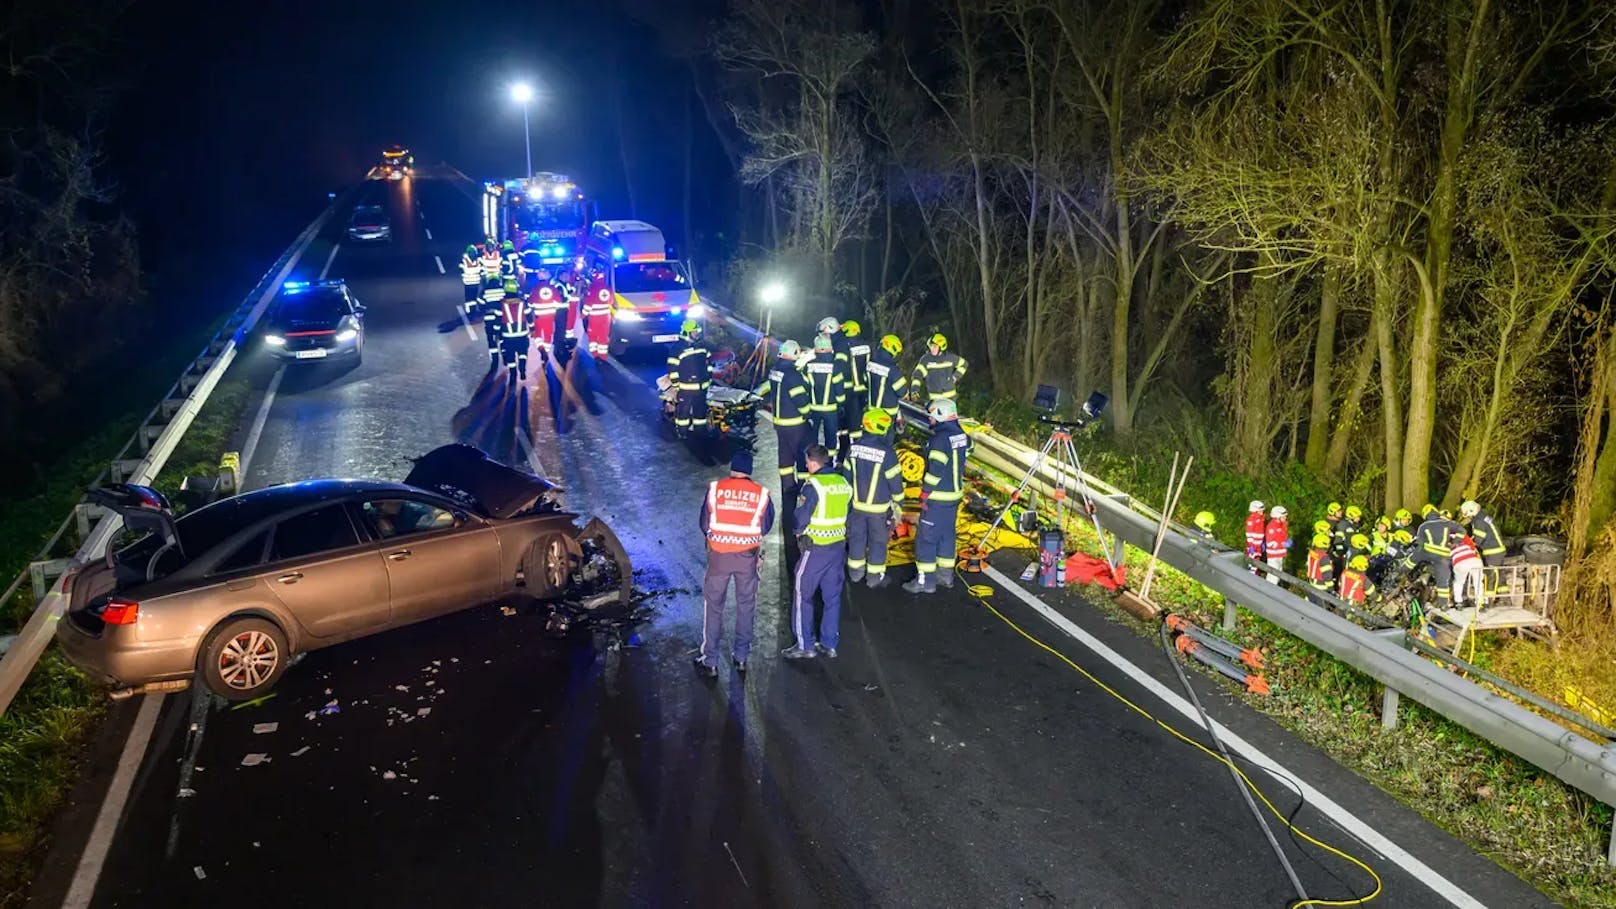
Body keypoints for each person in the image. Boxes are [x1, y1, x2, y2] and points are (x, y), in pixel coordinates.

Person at [695, 449, 775, 677]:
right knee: (746, 606)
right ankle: (741, 658)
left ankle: (710, 660)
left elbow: (704, 522)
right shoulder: (761, 494)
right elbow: (766, 525)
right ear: (749, 472)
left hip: (718, 557)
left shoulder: (715, 489)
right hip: (747, 559)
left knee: (713, 607)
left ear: (732, 469)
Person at [784, 445, 852, 660]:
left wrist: (797, 533)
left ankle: (805, 645)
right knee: (832, 597)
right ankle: (829, 643)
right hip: (838, 548)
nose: (806, 465)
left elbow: (801, 518)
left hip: (815, 548)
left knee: (802, 594)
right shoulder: (843, 484)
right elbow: (848, 513)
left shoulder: (813, 485)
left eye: (807, 462)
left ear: (813, 462)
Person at [905, 398, 970, 594]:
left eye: (932, 415)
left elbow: (936, 469)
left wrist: (925, 493)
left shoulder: (938, 439)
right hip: (954, 495)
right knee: (947, 535)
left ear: (941, 415)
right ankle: (945, 576)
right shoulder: (961, 435)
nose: (930, 419)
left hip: (938, 497)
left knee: (926, 538)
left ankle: (925, 581)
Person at [845, 408, 904, 588]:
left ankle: (855, 573)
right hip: (879, 511)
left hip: (856, 508)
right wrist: (899, 504)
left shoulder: (853, 448)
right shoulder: (888, 452)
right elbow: (895, 483)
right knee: (878, 543)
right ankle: (874, 578)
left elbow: (846, 479)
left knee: (856, 539)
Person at [754, 340, 812, 508]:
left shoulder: (775, 370)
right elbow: (800, 399)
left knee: (785, 458)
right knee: (802, 457)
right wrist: (809, 413)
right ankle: (802, 488)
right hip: (795, 424)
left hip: (780, 424)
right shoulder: (793, 374)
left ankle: (787, 487)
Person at [1403, 508, 1463, 607]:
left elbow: (1420, 543)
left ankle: (1401, 573)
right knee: (1443, 581)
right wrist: (1455, 542)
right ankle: (1444, 604)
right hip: (1444, 556)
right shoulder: (1447, 524)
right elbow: (1462, 530)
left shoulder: (1424, 526)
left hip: (1429, 553)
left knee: (1413, 560)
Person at [666, 319, 711, 437]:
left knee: (700, 412)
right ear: (687, 332)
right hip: (686, 389)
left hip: (702, 388)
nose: (697, 334)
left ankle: (700, 432)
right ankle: (682, 433)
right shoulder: (677, 349)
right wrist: (676, 386)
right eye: (694, 332)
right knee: (683, 413)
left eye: (697, 332)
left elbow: (709, 362)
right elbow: (672, 369)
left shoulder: (701, 346)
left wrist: (708, 377)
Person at [803, 335, 845, 450]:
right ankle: (829, 462)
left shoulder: (808, 366)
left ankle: (812, 461)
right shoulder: (835, 366)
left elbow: (804, 388)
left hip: (813, 409)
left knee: (811, 437)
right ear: (830, 348)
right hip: (830, 409)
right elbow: (839, 389)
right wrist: (841, 405)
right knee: (831, 437)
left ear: (815, 349)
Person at [864, 334, 909, 443]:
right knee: (886, 442)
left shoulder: (870, 363)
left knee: (871, 439)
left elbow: (865, 380)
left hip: (872, 409)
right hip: (887, 412)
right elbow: (902, 391)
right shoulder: (892, 369)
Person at [1458, 500, 1506, 594]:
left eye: (1467, 515)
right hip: (1498, 550)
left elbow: (1478, 540)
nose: (1468, 517)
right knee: (1500, 575)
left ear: (1471, 511)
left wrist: (1466, 544)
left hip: (1492, 552)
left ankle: (1488, 601)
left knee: (1490, 575)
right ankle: (1505, 599)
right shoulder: (1484, 517)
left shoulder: (1478, 521)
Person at [910, 333, 967, 402]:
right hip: (935, 399)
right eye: (931, 346)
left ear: (941, 347)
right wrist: (914, 391)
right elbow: (917, 375)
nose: (932, 349)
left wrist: (955, 377)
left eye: (935, 346)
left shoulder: (950, 358)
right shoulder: (926, 359)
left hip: (951, 398)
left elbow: (964, 364)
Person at [498, 276, 532, 383]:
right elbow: (529, 315)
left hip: (508, 336)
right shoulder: (522, 302)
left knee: (511, 356)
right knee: (523, 354)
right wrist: (532, 327)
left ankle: (513, 374)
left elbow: (498, 319)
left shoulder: (501, 303)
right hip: (522, 334)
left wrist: (497, 332)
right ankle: (522, 371)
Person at [529, 268, 566, 355]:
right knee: (548, 335)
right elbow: (559, 302)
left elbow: (530, 303)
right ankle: (546, 353)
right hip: (550, 317)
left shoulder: (535, 289)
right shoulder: (552, 288)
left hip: (538, 317)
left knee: (537, 334)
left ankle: (541, 348)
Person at [581, 267, 613, 358]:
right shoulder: (607, 288)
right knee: (603, 335)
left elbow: (588, 303)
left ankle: (595, 354)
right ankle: (603, 355)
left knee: (593, 335)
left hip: (595, 317)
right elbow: (611, 301)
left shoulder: (593, 288)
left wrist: (583, 315)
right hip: (606, 317)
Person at [1449, 532, 1484, 608]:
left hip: (1460, 562)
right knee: (1478, 582)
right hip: (1474, 560)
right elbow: (1472, 546)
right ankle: (1480, 602)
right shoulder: (1463, 535)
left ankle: (1459, 603)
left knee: (1459, 582)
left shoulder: (1443, 539)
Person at [478, 267, 505, 362]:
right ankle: (504, 351)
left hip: (489, 316)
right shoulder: (502, 289)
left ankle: (494, 357)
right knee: (502, 334)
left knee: (490, 336)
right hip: (501, 316)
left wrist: (484, 310)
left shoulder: (484, 291)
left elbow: (480, 304)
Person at [1264, 505, 1290, 583]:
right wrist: (1283, 544)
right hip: (1273, 556)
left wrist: (1287, 542)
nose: (1285, 518)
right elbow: (1270, 543)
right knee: (1273, 576)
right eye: (1284, 516)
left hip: (1279, 555)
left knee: (1278, 573)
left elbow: (1283, 537)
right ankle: (1269, 592)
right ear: (1278, 517)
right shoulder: (1271, 527)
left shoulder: (1282, 525)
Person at [459, 244, 483, 318]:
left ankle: (473, 311)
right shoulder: (464, 260)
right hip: (468, 283)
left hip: (475, 282)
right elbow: (461, 269)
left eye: (473, 252)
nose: (472, 254)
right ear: (468, 253)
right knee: (469, 298)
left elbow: (481, 269)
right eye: (471, 252)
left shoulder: (478, 260)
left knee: (474, 298)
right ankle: (469, 312)